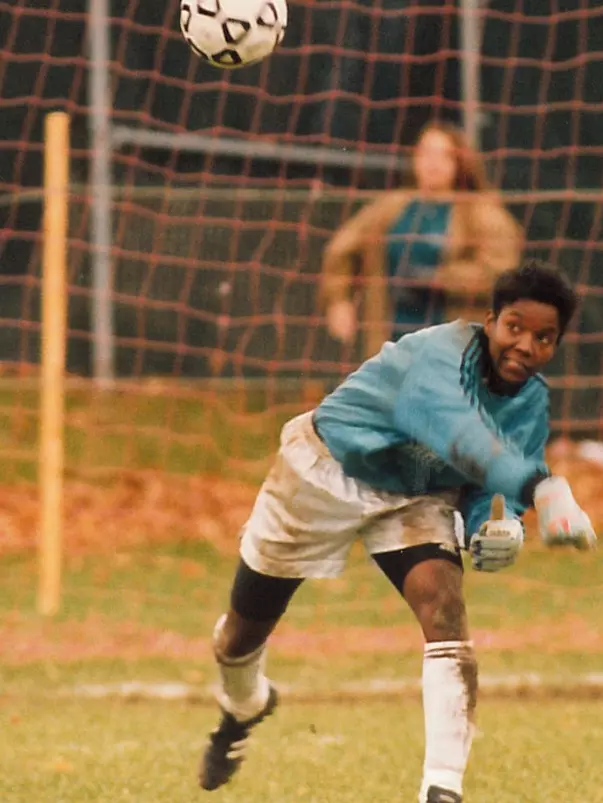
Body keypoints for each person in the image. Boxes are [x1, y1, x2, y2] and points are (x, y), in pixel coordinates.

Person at [199, 260, 596, 803]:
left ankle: (442, 788)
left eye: (544, 338)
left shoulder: (529, 403)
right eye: (515, 327)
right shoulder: (438, 355)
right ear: (489, 321)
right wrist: (544, 489)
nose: (526, 345)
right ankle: (244, 705)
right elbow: (461, 437)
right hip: (324, 471)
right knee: (241, 636)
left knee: (445, 609)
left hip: (415, 493)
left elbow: (483, 482)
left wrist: (489, 526)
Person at [320, 121, 524, 356]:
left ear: (460, 162)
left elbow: (500, 273)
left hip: (455, 348)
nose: (432, 163)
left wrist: (441, 279)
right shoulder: (391, 207)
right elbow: (342, 248)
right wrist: (338, 300)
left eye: (443, 155)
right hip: (392, 342)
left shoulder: (482, 212)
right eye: (426, 153)